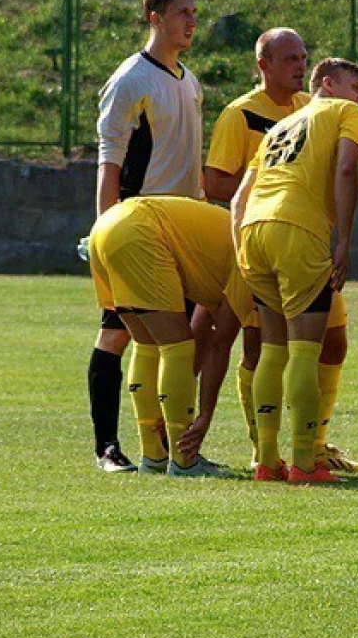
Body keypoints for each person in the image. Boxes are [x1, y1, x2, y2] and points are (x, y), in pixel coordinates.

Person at [204, 28, 358, 473]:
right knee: (305, 351)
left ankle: (266, 459)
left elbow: (239, 199)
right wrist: (345, 240)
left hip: (255, 230)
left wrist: (242, 249)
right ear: (329, 86)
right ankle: (305, 459)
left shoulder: (284, 124)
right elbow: (347, 169)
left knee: (273, 348)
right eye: (357, 88)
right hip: (298, 230)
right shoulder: (343, 112)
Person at [87, 0, 203, 473]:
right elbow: (109, 161)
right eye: (182, 12)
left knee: (168, 339)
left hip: (179, 228)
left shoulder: (189, 80)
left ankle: (167, 449)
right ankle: (107, 449)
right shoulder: (131, 79)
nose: (192, 21)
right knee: (117, 334)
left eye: (195, 13)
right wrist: (103, 231)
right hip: (136, 229)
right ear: (154, 17)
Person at [88, 196, 243, 477]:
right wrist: (204, 416)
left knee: (147, 345)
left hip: (105, 228)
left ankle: (155, 455)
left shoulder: (230, 252)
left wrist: (171, 406)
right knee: (176, 346)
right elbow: (220, 345)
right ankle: (184, 460)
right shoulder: (251, 261)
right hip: (138, 231)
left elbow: (205, 336)